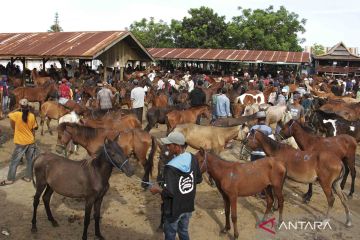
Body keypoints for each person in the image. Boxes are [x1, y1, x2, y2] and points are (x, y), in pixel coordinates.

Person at [150, 132, 202, 240]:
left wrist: (158, 189)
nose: (167, 147)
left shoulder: (170, 167)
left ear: (177, 147)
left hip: (174, 209)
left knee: (170, 233)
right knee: (183, 230)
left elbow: (169, 192)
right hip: (188, 205)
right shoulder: (193, 158)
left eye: (169, 145)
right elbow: (198, 179)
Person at [0, 99, 38, 186]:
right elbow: (35, 128)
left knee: (14, 162)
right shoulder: (32, 116)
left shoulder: (16, 114)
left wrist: (17, 109)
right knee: (30, 161)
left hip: (21, 143)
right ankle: (28, 177)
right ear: (28, 106)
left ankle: (10, 179)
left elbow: (6, 115)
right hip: (31, 141)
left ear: (20, 106)